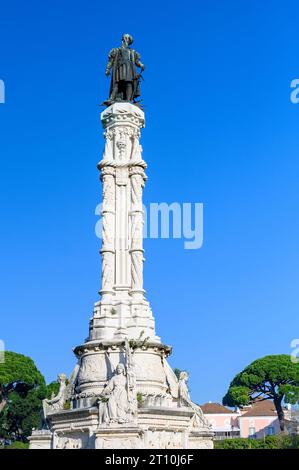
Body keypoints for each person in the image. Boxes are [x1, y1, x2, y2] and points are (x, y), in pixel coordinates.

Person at [105, 34, 145, 104]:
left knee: (129, 83)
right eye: (124, 38)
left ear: (129, 41)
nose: (124, 39)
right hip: (119, 67)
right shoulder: (116, 50)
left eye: (126, 38)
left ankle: (128, 100)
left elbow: (137, 61)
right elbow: (111, 61)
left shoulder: (133, 52)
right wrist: (107, 69)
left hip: (130, 68)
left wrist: (141, 65)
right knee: (117, 83)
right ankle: (111, 98)